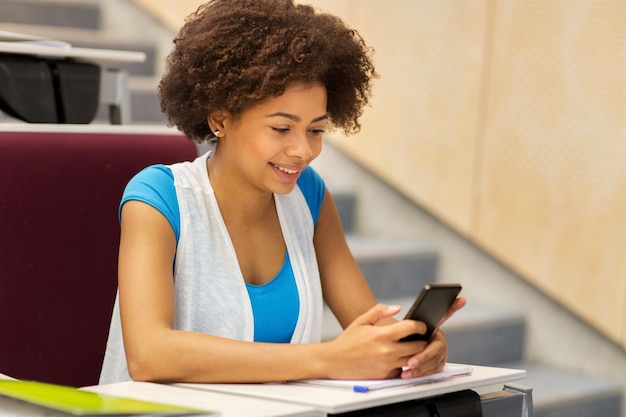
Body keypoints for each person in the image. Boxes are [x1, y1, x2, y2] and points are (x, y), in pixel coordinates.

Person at [99, 0, 465, 385]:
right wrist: (326, 359)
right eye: (281, 129)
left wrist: (412, 347)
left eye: (315, 130)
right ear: (220, 119)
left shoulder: (309, 196)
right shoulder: (158, 197)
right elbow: (149, 355)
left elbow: (368, 324)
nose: (303, 151)